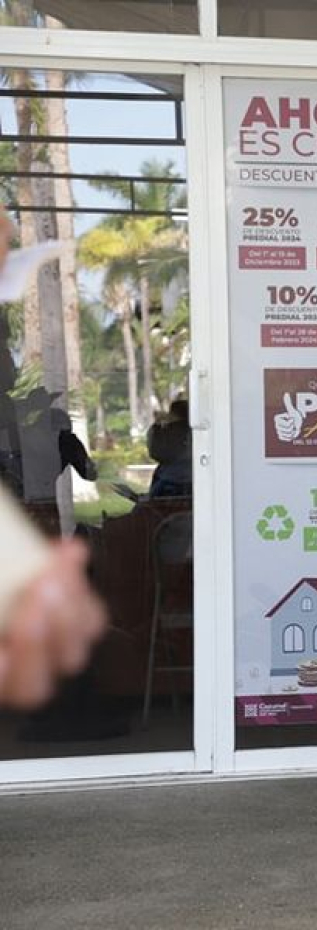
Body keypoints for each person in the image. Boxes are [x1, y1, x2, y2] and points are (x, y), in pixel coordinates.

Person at [0, 211, 107, 709]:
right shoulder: (51, 425)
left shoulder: (28, 424)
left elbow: (85, 470)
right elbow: (89, 471)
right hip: (43, 519)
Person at [147, 399, 193, 499]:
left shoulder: (169, 430)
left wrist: (157, 426)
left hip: (170, 478)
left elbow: (155, 452)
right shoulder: (193, 430)